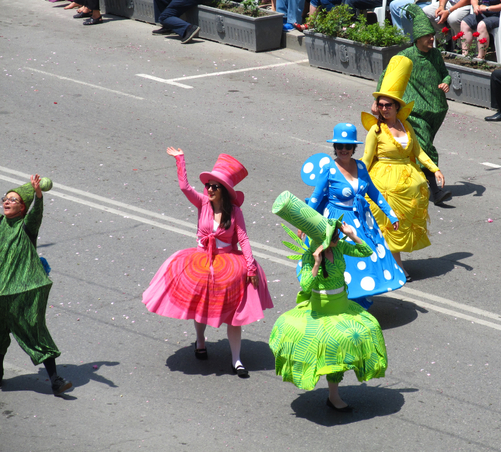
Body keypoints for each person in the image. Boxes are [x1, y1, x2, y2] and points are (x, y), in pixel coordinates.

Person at [143, 149, 272, 377]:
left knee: (234, 314)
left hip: (229, 264)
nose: (209, 189)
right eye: (209, 185)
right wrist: (180, 159)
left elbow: (243, 238)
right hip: (201, 261)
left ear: (224, 190)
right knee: (200, 307)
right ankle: (200, 341)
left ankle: (237, 360)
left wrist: (251, 266)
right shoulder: (202, 203)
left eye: (215, 186)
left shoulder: (235, 212)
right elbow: (185, 188)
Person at [270, 192, 387, 412]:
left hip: (342, 307)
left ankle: (333, 395)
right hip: (320, 312)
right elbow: (305, 285)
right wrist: (315, 263)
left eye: (336, 233)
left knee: (351, 343)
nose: (336, 237)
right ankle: (330, 392)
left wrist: (352, 235)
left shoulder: (339, 247)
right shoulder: (311, 256)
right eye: (333, 234)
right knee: (327, 349)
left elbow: (366, 252)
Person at [361, 56, 445, 280]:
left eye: (389, 104)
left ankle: (387, 264)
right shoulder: (375, 131)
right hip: (384, 188)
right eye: (381, 105)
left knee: (399, 228)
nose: (384, 108)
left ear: (397, 106)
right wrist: (355, 181)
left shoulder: (406, 125)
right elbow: (366, 159)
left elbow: (418, 151)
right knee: (390, 228)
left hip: (409, 188)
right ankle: (398, 268)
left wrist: (434, 169)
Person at [304, 123, 405, 306]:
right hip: (338, 222)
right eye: (339, 146)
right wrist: (304, 222)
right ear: (335, 148)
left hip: (361, 220)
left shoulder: (360, 166)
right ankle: (342, 299)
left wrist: (391, 215)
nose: (343, 150)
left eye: (348, 146)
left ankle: (360, 299)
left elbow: (374, 193)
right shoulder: (329, 168)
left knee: (366, 259)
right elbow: (316, 198)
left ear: (353, 148)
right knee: (345, 262)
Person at [0, 176, 73, 396]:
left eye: (13, 199)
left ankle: (56, 380)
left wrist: (38, 196)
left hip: (22, 295)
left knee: (36, 334)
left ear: (22, 208)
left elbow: (36, 216)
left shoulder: (26, 227)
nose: (6, 201)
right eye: (5, 198)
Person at [373, 4, 452, 205]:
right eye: (427, 36)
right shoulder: (405, 56)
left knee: (419, 148)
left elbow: (445, 73)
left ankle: (409, 183)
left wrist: (446, 82)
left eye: (432, 35)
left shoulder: (435, 55)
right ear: (417, 37)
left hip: (437, 112)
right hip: (416, 112)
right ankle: (436, 191)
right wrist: (377, 101)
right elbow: (386, 77)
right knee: (425, 147)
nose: (431, 39)